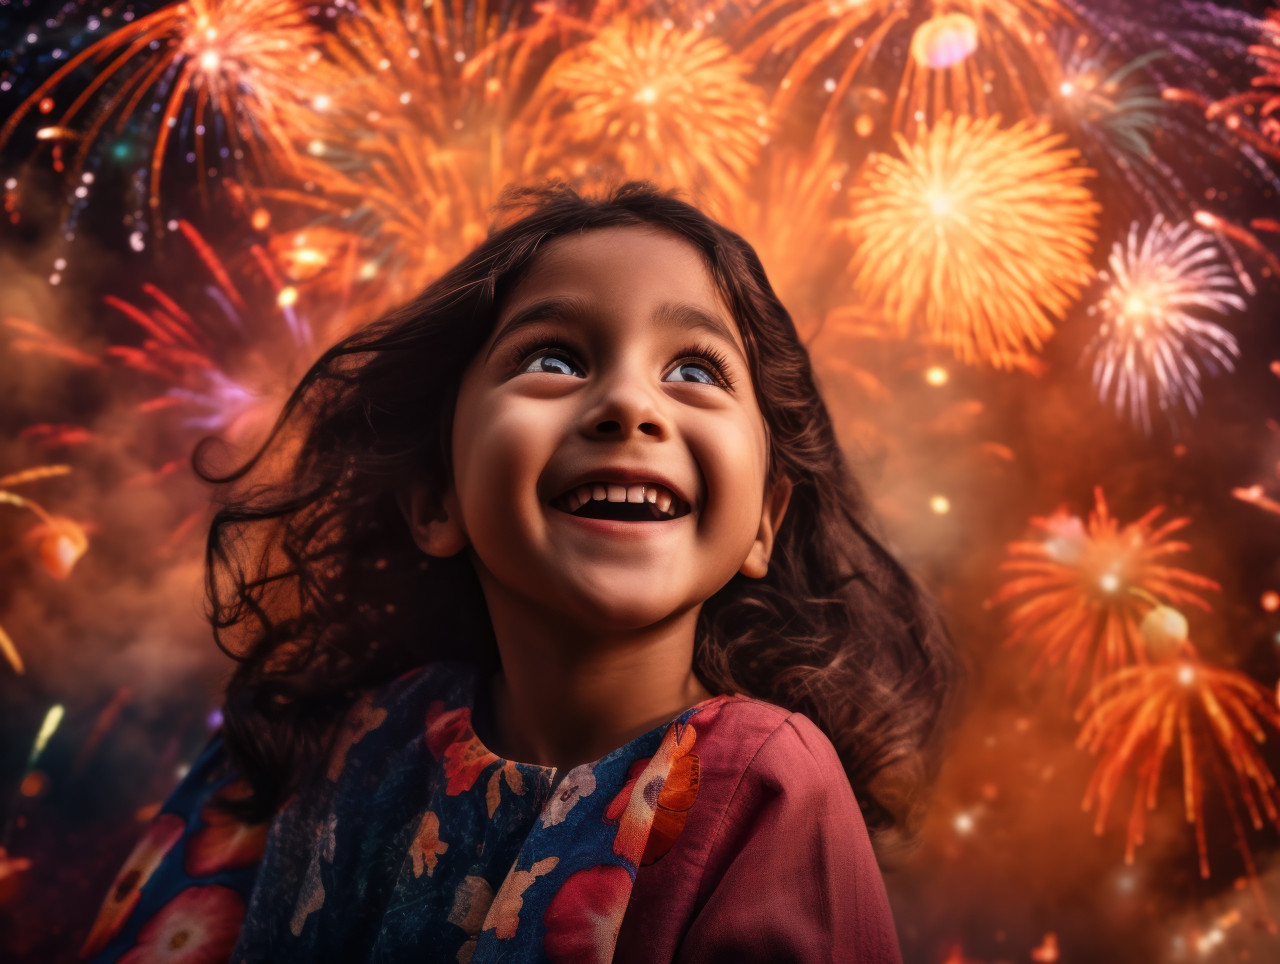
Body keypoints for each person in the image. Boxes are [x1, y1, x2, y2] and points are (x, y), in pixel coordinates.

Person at [81, 183, 962, 963]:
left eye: (694, 370)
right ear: (436, 500)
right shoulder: (302, 749)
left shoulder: (766, 789)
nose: (628, 404)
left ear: (764, 520)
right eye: (554, 360)